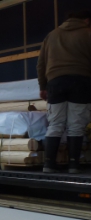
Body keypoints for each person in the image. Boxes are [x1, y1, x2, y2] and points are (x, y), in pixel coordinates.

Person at [37, 10, 91, 174]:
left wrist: (43, 87)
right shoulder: (88, 33)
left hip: (56, 82)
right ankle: (74, 165)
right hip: (81, 82)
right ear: (86, 20)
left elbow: (41, 64)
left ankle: (49, 164)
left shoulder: (51, 35)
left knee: (55, 124)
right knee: (76, 125)